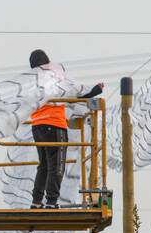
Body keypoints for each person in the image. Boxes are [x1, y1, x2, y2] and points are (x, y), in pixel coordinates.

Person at [26, 48, 103, 208]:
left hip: (37, 126)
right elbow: (75, 92)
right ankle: (52, 201)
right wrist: (96, 89)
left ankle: (36, 201)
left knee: (44, 165)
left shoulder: (32, 82)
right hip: (54, 125)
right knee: (57, 164)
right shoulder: (54, 77)